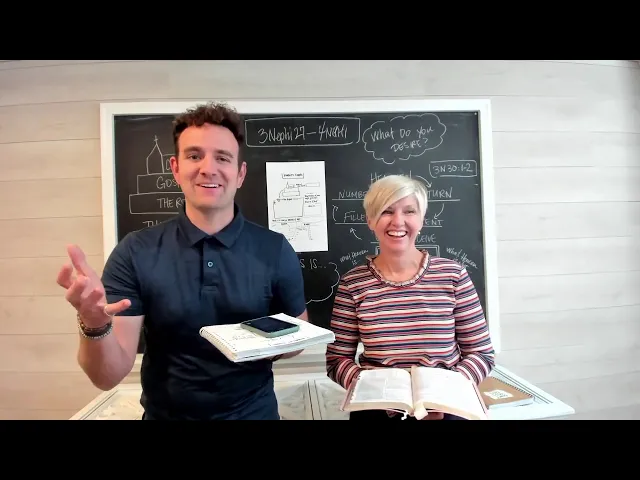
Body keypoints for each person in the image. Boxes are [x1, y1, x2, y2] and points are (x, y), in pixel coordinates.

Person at [56, 102, 308, 420]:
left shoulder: (275, 249)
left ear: (240, 173)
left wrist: (257, 342)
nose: (208, 168)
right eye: (194, 156)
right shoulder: (135, 251)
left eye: (222, 158)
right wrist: (94, 325)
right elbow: (106, 377)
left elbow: (298, 339)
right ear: (175, 168)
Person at [325, 174, 495, 421]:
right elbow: (336, 360)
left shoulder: (453, 275)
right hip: (377, 411)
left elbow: (481, 354)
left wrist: (446, 394)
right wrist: (376, 390)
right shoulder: (353, 284)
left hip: (446, 409)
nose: (398, 221)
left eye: (409, 211)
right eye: (386, 211)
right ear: (370, 220)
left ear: (422, 219)